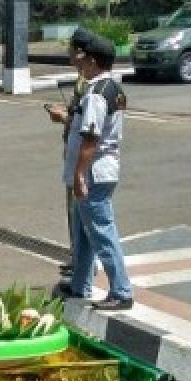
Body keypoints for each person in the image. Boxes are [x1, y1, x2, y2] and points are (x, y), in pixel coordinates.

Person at [57, 29, 133, 311]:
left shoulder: (97, 95)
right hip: (101, 169)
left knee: (101, 231)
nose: (75, 59)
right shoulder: (110, 88)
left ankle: (122, 291)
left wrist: (78, 175)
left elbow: (91, 138)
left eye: (79, 56)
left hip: (93, 172)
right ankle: (80, 285)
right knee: (83, 231)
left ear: (90, 60)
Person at [43, 42, 90, 280]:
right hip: (73, 152)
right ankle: (77, 259)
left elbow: (84, 125)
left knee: (80, 213)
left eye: (72, 51)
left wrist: (63, 118)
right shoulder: (82, 80)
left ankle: (82, 263)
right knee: (74, 212)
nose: (70, 56)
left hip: (82, 156)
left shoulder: (88, 84)